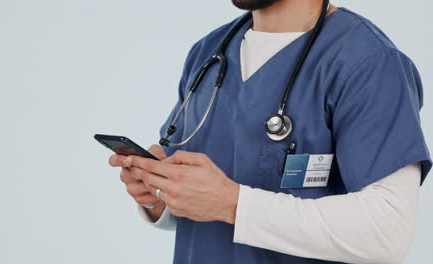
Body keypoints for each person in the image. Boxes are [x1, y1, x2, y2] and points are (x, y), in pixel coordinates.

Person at [109, 0, 432, 263]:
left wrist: (233, 203)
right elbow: (200, 203)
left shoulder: (367, 62)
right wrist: (159, 195)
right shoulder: (207, 54)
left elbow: (386, 232)